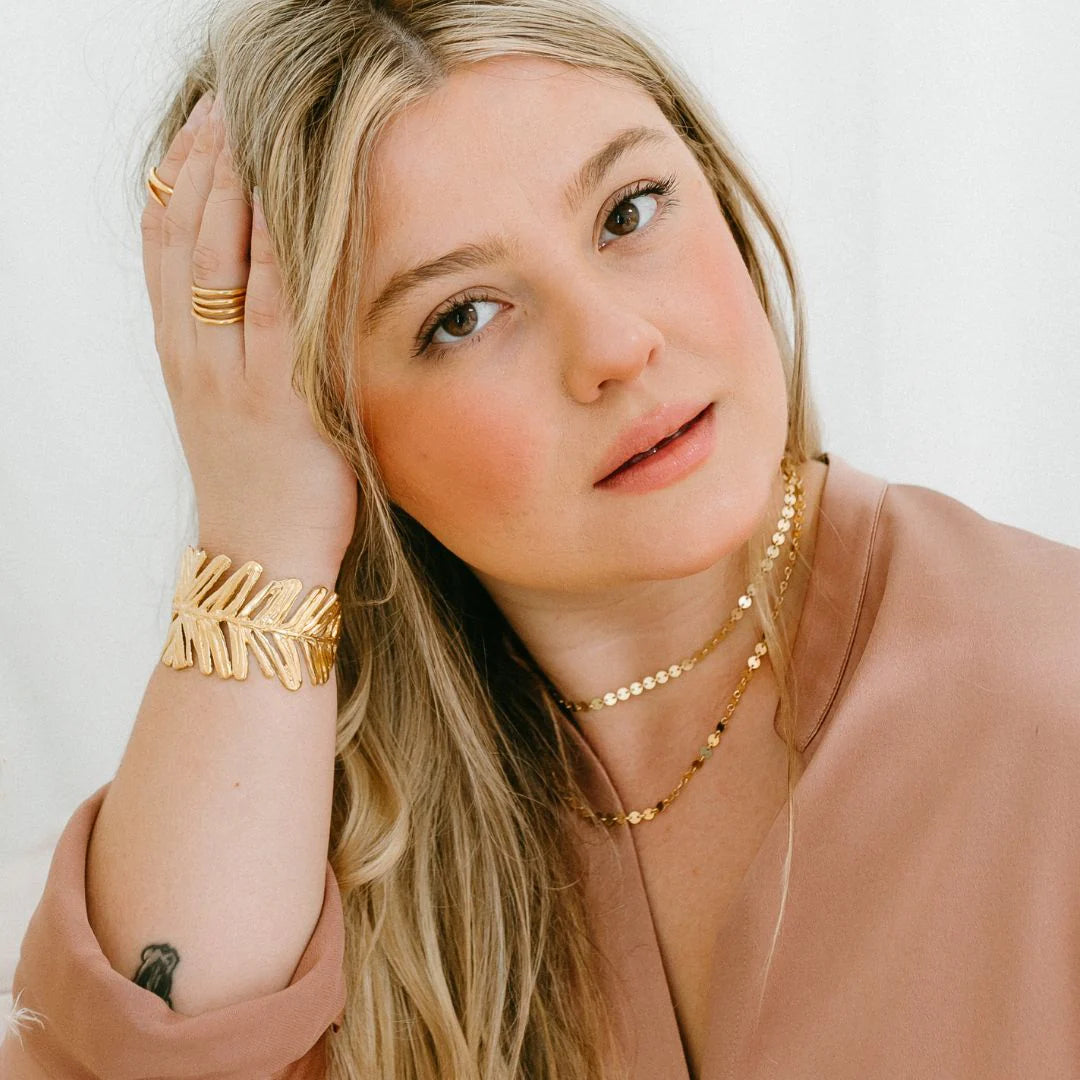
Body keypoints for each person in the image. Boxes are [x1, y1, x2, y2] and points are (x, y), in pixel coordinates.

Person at [3, 1, 1078, 1077]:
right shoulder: (303, 810)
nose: (615, 344)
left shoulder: (1042, 695)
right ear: (320, 419)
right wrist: (262, 539)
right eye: (462, 316)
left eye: (630, 212)